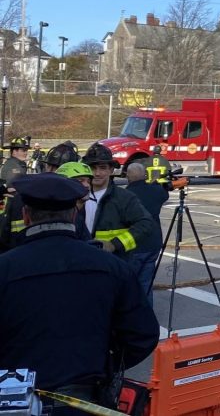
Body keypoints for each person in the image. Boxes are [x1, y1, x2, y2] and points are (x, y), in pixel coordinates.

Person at [0, 173, 159, 412]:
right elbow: (142, 335)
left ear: (25, 216)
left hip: (13, 401)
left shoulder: (5, 268)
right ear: (75, 215)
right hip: (85, 401)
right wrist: (103, 363)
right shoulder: (112, 268)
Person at [81, 143, 155, 259]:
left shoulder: (124, 198)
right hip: (82, 261)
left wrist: (115, 244)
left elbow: (146, 224)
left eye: (103, 168)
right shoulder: (76, 196)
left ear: (111, 170)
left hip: (113, 262)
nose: (97, 173)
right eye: (93, 168)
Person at [124, 160, 170, 304]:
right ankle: (146, 314)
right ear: (145, 175)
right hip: (154, 243)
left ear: (128, 177)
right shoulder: (156, 190)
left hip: (134, 244)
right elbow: (165, 195)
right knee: (146, 283)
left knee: (130, 285)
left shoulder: (125, 194)